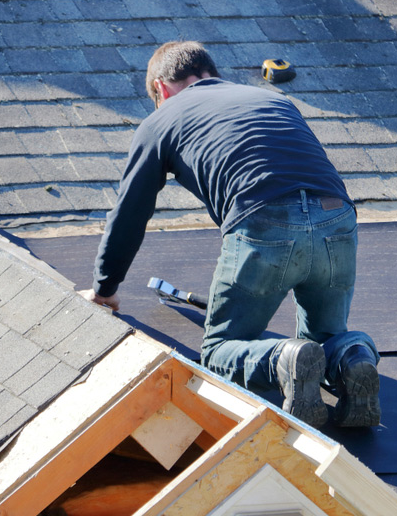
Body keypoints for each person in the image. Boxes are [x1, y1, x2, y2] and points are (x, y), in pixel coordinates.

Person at [79, 41, 380, 428]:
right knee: (325, 341)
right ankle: (354, 358)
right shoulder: (272, 99)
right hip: (336, 217)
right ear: (212, 73)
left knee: (220, 351)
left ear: (161, 89)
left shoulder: (162, 118)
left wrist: (104, 290)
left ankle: (282, 361)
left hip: (263, 222)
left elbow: (130, 213)